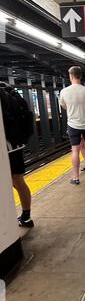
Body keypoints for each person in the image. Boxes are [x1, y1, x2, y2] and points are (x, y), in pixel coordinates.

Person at [0, 83, 34, 228]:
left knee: (11, 183)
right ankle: (26, 216)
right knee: (18, 181)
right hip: (15, 145)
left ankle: (9, 220)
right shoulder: (11, 94)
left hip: (6, 146)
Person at [59, 66, 85, 185]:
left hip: (73, 124)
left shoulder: (64, 91)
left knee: (75, 150)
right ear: (80, 76)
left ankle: (76, 177)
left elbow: (63, 105)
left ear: (71, 76)